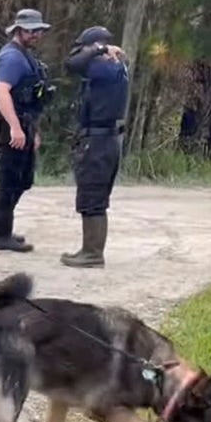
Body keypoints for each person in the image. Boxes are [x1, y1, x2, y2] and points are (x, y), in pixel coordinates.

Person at [0, 8, 54, 253]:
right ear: (18, 30)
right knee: (10, 180)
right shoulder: (12, 58)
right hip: (11, 125)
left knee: (21, 179)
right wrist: (15, 127)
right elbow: (1, 92)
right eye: (31, 31)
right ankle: (1, 235)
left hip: (23, 122)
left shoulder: (24, 56)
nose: (36, 35)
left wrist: (31, 130)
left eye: (38, 31)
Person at [61, 26, 129, 268]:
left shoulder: (101, 66)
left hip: (98, 141)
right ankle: (91, 250)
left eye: (85, 48)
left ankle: (92, 253)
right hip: (107, 140)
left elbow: (71, 64)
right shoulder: (116, 67)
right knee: (97, 196)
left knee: (92, 196)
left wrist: (98, 50)